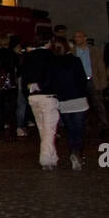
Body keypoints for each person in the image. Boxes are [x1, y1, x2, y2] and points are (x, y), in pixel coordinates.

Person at [21, 35, 61, 169]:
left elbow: (23, 78)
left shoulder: (28, 57)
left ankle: (52, 157)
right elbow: (52, 75)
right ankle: (45, 158)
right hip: (47, 95)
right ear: (49, 43)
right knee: (49, 129)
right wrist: (43, 86)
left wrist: (28, 91)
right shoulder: (50, 56)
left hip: (33, 97)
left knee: (42, 128)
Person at [52, 37, 90, 171]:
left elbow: (53, 82)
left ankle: (73, 151)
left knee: (69, 129)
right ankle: (77, 152)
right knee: (79, 129)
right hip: (78, 98)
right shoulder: (75, 61)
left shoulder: (53, 63)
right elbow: (82, 80)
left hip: (63, 101)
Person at [73, 29, 109, 138]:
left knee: (98, 104)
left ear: (85, 38)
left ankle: (103, 126)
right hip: (80, 82)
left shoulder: (94, 50)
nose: (77, 39)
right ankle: (85, 126)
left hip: (92, 80)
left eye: (79, 36)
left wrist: (103, 81)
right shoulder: (73, 52)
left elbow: (100, 66)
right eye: (75, 37)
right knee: (82, 105)